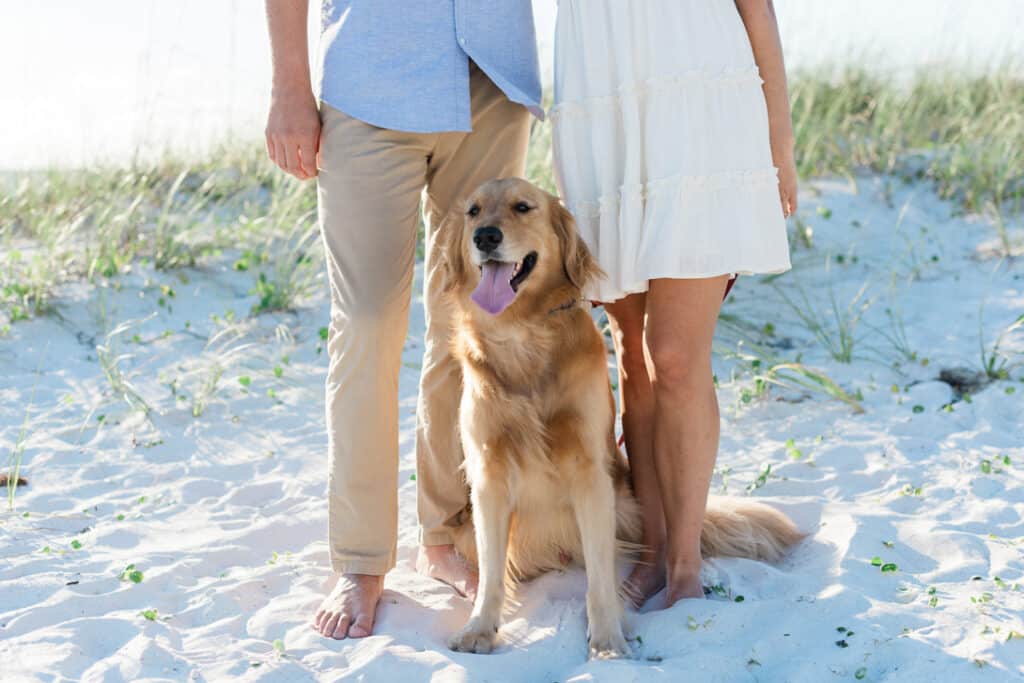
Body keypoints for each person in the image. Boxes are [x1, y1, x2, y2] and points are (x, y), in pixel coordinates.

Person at [264, 0, 542, 639]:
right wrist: (288, 89)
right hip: (369, 81)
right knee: (365, 322)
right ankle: (360, 558)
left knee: (472, 320)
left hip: (492, 77)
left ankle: (445, 535)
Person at [551, 0, 797, 608]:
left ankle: (686, 563)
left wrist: (781, 147)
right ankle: (656, 552)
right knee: (632, 357)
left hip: (702, 116)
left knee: (676, 358)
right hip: (604, 112)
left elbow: (757, 9)